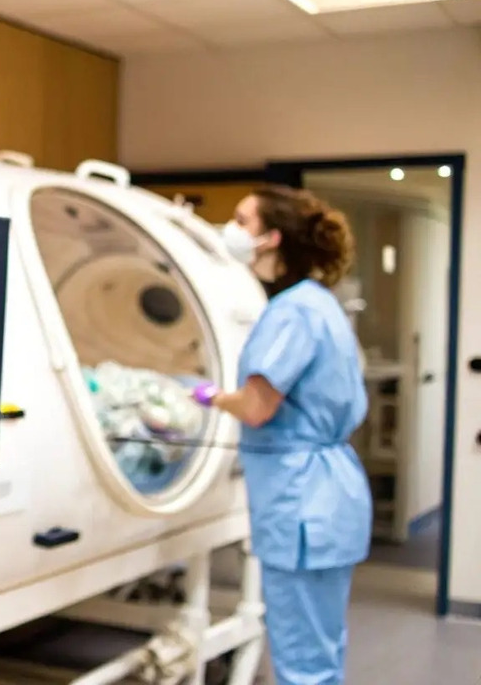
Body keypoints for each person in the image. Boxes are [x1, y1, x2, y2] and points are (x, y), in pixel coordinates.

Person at [190, 185, 372, 685]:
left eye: (241, 220)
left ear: (271, 238)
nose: (231, 229)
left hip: (302, 506)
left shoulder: (292, 311)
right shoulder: (320, 303)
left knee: (302, 662)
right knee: (321, 651)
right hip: (328, 497)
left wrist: (209, 396)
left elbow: (256, 406)